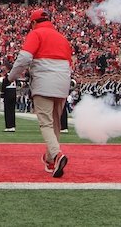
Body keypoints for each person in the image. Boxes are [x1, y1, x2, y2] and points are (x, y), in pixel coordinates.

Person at [7, 9, 72, 178]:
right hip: (63, 82)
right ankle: (50, 159)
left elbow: (24, 59)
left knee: (46, 123)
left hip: (44, 82)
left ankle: (57, 155)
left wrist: (10, 77)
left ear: (34, 23)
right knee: (56, 124)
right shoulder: (62, 38)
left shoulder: (36, 34)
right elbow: (69, 62)